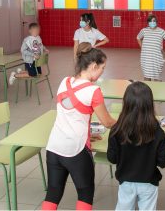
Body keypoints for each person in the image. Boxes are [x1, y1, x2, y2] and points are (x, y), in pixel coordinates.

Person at [41, 42, 117, 211]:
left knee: (53, 193)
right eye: (102, 68)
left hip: (54, 147)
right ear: (94, 66)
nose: (103, 71)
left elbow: (72, 114)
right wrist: (130, 123)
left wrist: (88, 133)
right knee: (85, 193)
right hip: (76, 150)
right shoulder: (93, 91)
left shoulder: (64, 81)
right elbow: (108, 122)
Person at [107, 81, 165, 211]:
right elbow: (163, 162)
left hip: (125, 181)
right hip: (149, 181)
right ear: (150, 105)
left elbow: (112, 158)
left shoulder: (116, 130)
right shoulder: (158, 132)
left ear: (125, 104)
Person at [137, 15, 165, 81]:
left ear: (156, 22)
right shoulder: (144, 30)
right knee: (147, 76)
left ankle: (157, 89)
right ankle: (147, 90)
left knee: (157, 77)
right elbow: (138, 38)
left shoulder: (161, 31)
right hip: (146, 58)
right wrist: (142, 47)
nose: (152, 22)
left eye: (154, 21)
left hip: (156, 57)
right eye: (150, 21)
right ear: (148, 23)